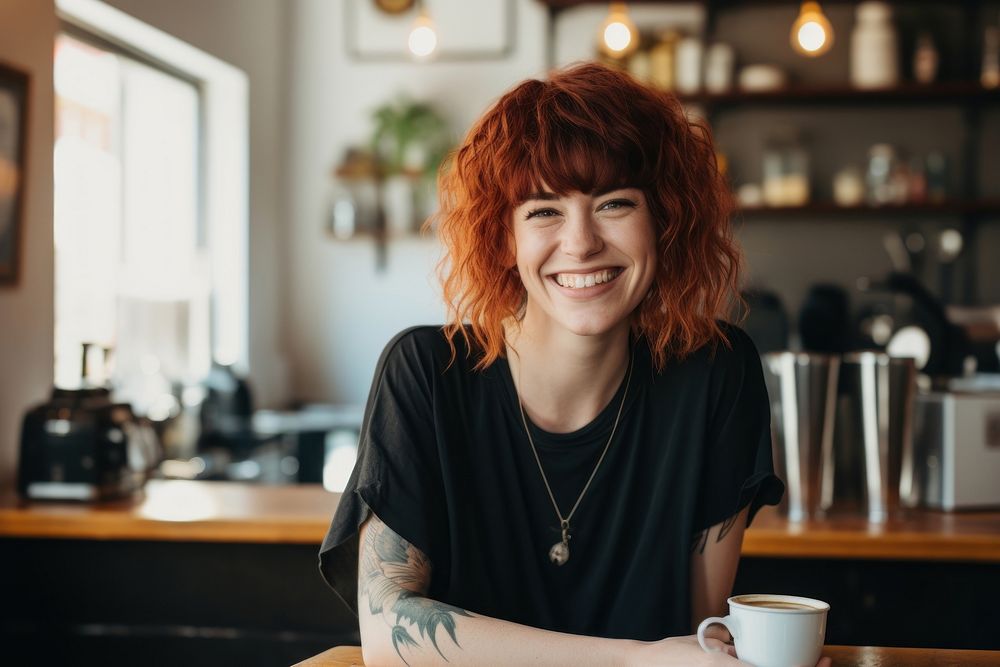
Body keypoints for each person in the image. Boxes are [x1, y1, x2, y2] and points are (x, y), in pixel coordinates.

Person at [319, 62, 827, 666]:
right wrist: (632, 662)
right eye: (542, 211)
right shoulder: (427, 373)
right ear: (503, 237)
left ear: (662, 221)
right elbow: (386, 631)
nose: (581, 242)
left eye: (614, 204)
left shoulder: (716, 372)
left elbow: (700, 633)